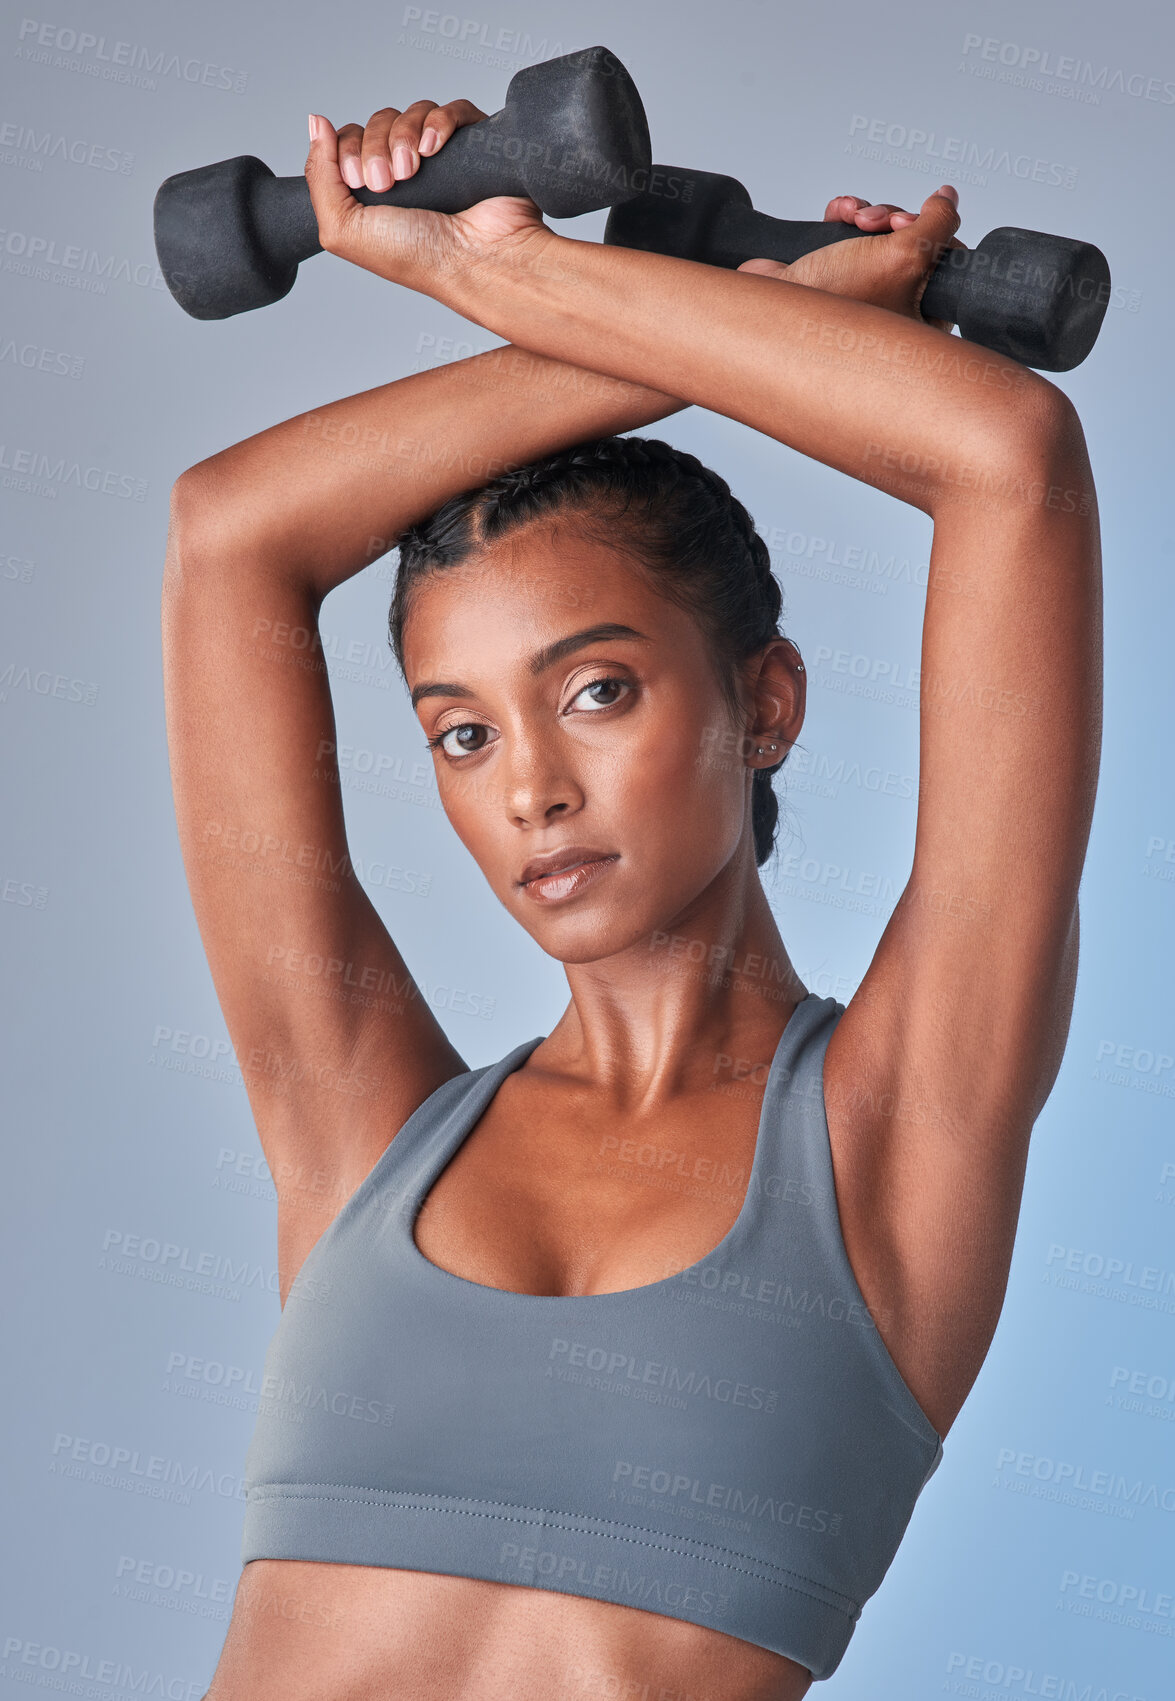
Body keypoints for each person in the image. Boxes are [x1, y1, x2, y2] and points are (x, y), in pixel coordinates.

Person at [163, 93, 1101, 1701]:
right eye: (462, 733)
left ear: (770, 703)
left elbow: (1009, 460)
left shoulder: (898, 1132)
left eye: (595, 691)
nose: (527, 785)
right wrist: (758, 318)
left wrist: (499, 278)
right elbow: (229, 536)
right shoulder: (361, 1133)